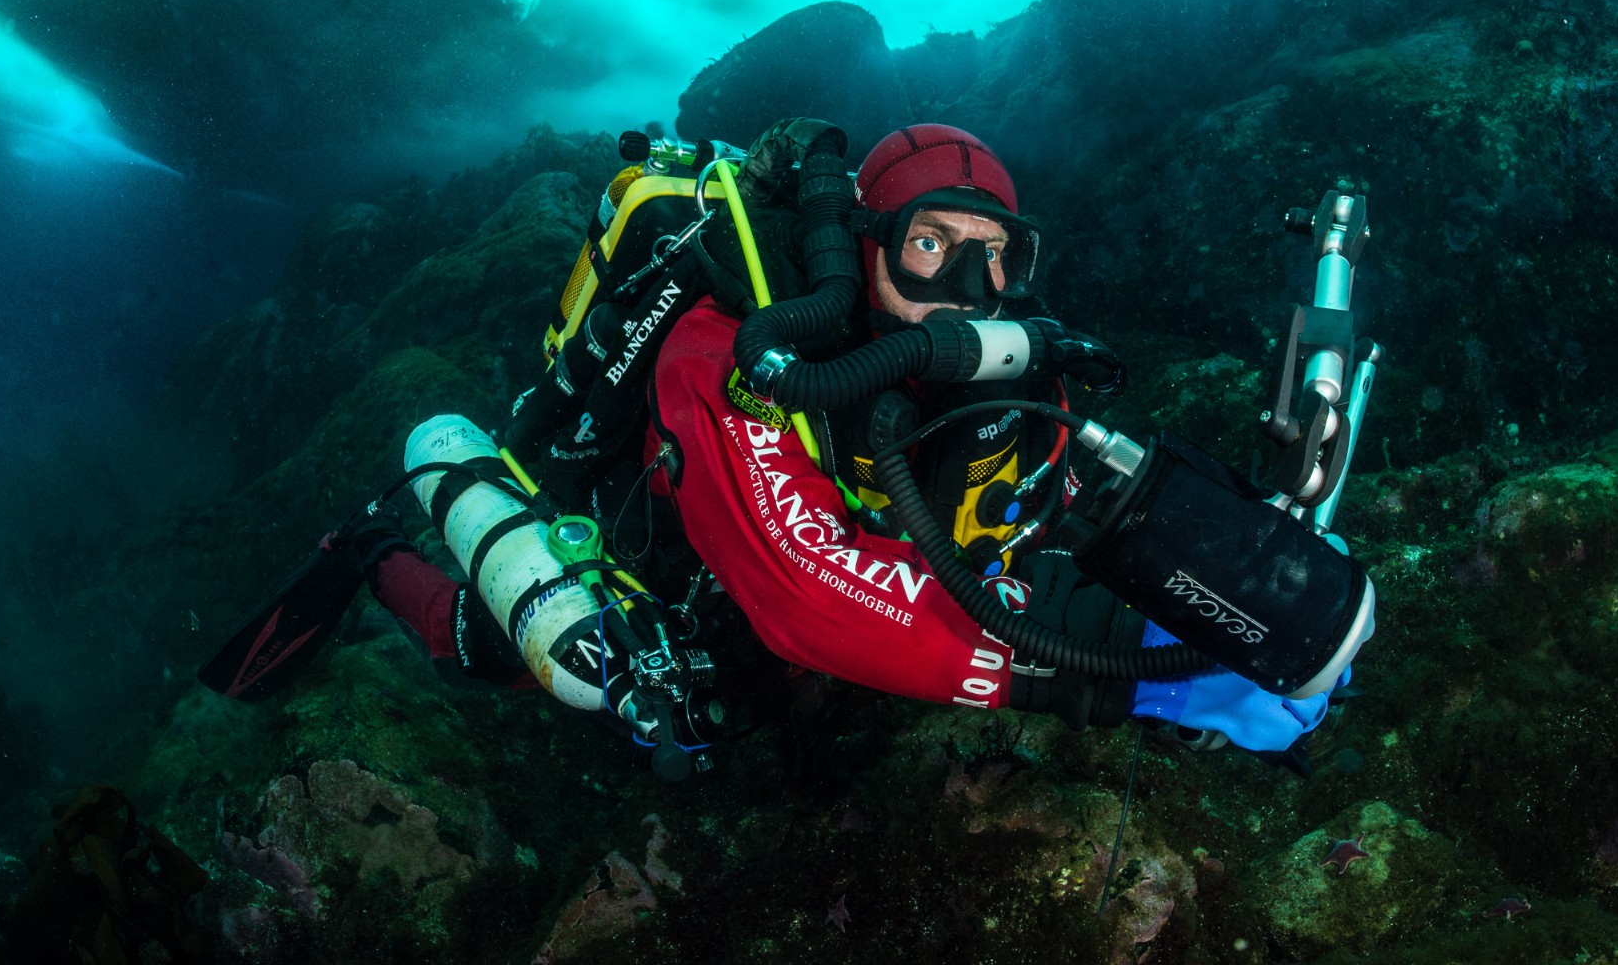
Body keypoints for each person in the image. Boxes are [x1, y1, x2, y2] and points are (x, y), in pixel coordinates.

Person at [206, 123, 1349, 768]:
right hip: (666, 574)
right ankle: (373, 549)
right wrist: (1125, 679)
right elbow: (808, 590)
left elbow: (1040, 525)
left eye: (994, 255)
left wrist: (1234, 587)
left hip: (843, 604)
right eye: (929, 246)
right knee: (514, 658)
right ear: (860, 245)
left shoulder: (1015, 369)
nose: (967, 287)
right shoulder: (725, 344)